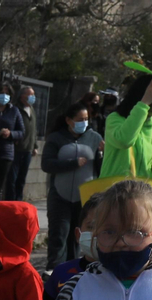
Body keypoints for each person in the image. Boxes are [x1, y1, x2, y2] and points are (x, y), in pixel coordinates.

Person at [42, 101, 103, 267]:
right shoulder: (56, 138)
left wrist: (103, 154)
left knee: (78, 236)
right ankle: (54, 269)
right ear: (69, 120)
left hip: (84, 198)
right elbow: (46, 164)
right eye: (80, 119)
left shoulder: (95, 138)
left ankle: (74, 268)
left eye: (86, 119)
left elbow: (101, 168)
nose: (84, 122)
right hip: (59, 196)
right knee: (59, 233)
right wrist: (72, 163)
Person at [99, 72, 152, 184]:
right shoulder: (115, 119)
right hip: (113, 190)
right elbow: (124, 141)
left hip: (142, 192)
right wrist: (144, 104)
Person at [9, 84, 40, 201]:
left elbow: (34, 129)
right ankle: (10, 201)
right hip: (16, 149)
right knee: (12, 179)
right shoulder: (15, 109)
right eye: (30, 94)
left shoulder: (32, 109)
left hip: (28, 150)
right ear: (22, 96)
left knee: (22, 179)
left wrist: (35, 145)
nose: (33, 97)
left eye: (33, 94)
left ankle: (18, 201)